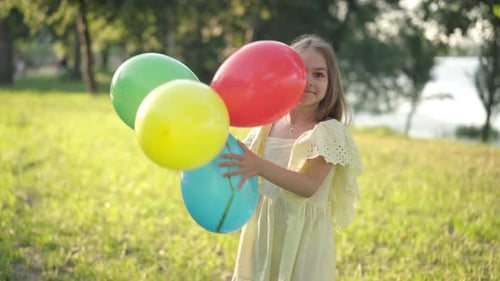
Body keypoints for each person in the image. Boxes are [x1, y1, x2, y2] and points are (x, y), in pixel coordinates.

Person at [219, 34, 363, 281]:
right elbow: (246, 167)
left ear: (331, 82)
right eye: (300, 71)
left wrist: (258, 165)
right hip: (265, 231)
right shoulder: (267, 126)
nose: (308, 81)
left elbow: (308, 186)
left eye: (318, 74)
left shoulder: (328, 131)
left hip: (302, 236)